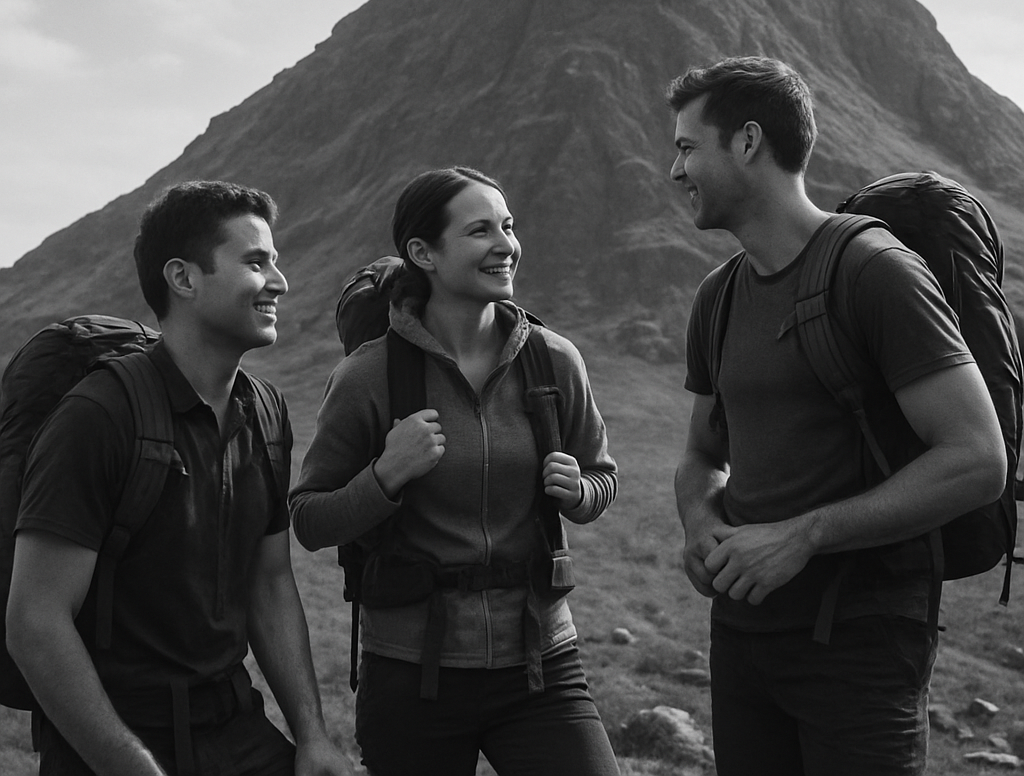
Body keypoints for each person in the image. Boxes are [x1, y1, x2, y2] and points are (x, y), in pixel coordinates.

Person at [669, 57, 1006, 775]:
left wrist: (805, 535)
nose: (677, 170)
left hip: (859, 639)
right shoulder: (718, 296)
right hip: (743, 635)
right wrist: (701, 523)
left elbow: (979, 459)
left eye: (687, 147)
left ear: (748, 141)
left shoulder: (874, 271)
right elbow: (702, 454)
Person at [7, 181, 355, 776]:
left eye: (275, 261)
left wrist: (313, 737)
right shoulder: (101, 416)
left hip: (233, 728)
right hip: (110, 741)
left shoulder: (264, 412)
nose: (280, 281)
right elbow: (35, 621)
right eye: (255, 262)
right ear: (184, 278)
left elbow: (268, 581)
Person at [289, 166, 620, 776]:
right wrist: (386, 474)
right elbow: (309, 519)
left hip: (540, 662)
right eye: (479, 231)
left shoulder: (554, 360)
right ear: (424, 253)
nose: (505, 244)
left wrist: (581, 492)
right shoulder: (368, 375)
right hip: (411, 673)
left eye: (508, 226)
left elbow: (603, 479)